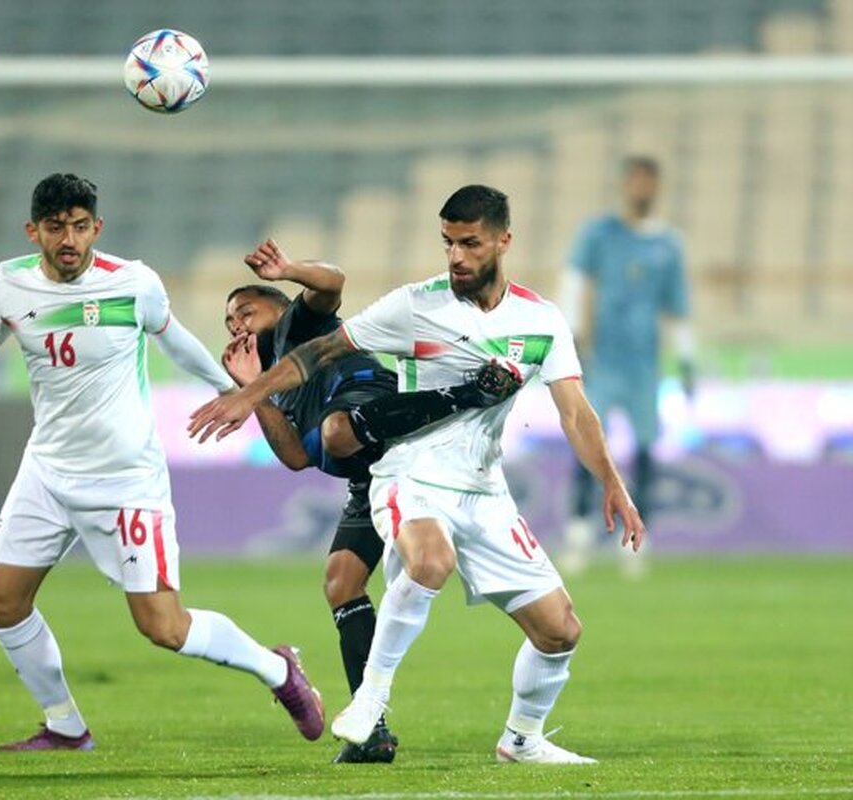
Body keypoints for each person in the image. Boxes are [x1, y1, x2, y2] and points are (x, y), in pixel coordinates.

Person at [190, 185, 645, 764]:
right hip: (410, 470)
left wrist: (612, 482)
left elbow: (576, 411)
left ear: (504, 241)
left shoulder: (541, 321)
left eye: (470, 243)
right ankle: (370, 701)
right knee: (430, 561)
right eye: (448, 243)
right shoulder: (415, 305)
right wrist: (248, 395)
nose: (456, 256)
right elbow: (319, 352)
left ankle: (522, 739)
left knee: (561, 632)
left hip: (484, 488)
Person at [0, 173, 324, 752]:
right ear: (34, 232)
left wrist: (240, 393)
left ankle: (277, 670)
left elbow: (175, 341)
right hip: (47, 471)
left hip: (126, 479)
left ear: (96, 228)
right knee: (3, 603)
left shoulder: (134, 284)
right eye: (55, 228)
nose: (69, 239)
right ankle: (65, 726)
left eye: (79, 227)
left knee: (163, 627)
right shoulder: (7, 287)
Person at [222, 240, 519, 763]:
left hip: (387, 422)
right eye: (228, 322)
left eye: (246, 310)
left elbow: (331, 283)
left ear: (279, 305)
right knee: (340, 582)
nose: (237, 325)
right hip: (373, 474)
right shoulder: (276, 383)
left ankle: (467, 396)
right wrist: (255, 392)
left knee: (338, 432)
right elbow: (293, 457)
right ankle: (372, 727)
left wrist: (291, 269)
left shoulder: (301, 327)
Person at [560, 156, 693, 576]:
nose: (641, 188)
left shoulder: (668, 245)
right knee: (588, 443)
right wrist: (572, 338)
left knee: (645, 450)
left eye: (647, 181)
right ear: (624, 185)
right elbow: (576, 280)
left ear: (656, 187)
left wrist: (686, 359)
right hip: (601, 361)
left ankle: (636, 542)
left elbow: (678, 307)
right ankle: (579, 533)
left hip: (644, 366)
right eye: (635, 180)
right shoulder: (601, 234)